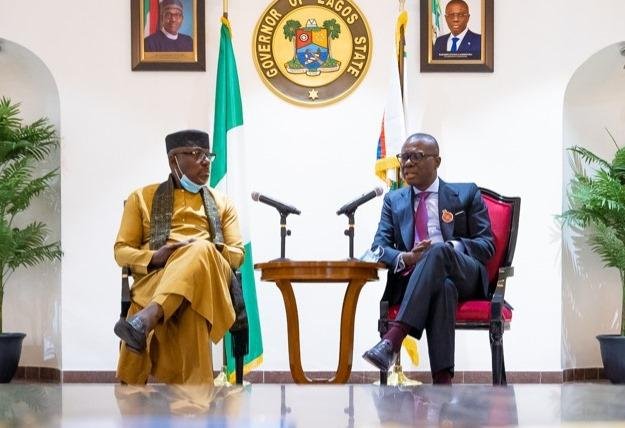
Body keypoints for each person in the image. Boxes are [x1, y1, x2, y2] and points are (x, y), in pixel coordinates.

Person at [113, 129, 245, 384]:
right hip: (160, 276)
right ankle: (193, 403)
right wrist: (154, 257)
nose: (206, 161)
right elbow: (121, 251)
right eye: (197, 154)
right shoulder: (141, 198)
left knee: (200, 250)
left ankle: (146, 319)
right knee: (192, 307)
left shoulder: (222, 203)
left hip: (213, 275)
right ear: (174, 159)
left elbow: (237, 255)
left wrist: (209, 249)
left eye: (208, 155)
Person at [362, 133, 494, 384]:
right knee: (443, 287)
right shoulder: (394, 200)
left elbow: (486, 245)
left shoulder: (466, 194)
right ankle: (443, 382)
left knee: (439, 250)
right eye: (404, 157)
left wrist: (450, 247)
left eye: (417, 156)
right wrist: (408, 257)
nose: (407, 163)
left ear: (437, 161)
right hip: (417, 279)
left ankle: (393, 338)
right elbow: (378, 248)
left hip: (463, 274)